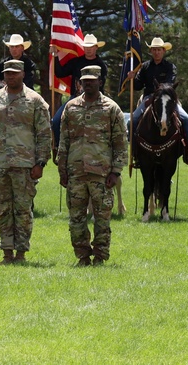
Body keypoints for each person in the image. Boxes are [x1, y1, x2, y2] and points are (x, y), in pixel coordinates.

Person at [0, 59, 52, 265]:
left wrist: (41, 162)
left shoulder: (35, 100)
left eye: (14, 73)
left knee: (22, 211)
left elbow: (44, 135)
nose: (10, 77)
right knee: (2, 210)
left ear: (22, 74)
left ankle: (21, 252)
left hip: (25, 164)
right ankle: (7, 252)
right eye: (7, 74)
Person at [58, 66, 127, 266]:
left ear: (100, 82)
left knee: (102, 219)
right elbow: (64, 141)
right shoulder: (70, 108)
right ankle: (82, 256)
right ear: (80, 82)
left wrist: (115, 171)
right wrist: (62, 170)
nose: (88, 83)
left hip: (102, 173)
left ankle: (100, 256)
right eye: (84, 80)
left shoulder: (111, 108)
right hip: (76, 172)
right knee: (76, 219)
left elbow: (120, 142)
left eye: (92, 80)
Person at [125, 37, 188, 166]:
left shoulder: (170, 67)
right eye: (154, 50)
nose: (157, 52)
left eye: (159, 50)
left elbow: (169, 83)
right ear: (151, 51)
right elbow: (139, 86)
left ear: (163, 51)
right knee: (132, 120)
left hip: (167, 98)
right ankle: (135, 152)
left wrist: (159, 93)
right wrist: (132, 78)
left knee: (186, 118)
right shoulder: (144, 67)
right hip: (148, 98)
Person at [51, 34, 110, 148]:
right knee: (56, 121)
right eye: (86, 47)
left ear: (96, 47)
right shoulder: (76, 62)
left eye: (91, 46)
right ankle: (59, 148)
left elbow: (101, 85)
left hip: (96, 99)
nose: (88, 49)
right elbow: (60, 73)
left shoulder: (101, 65)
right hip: (75, 98)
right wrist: (55, 55)